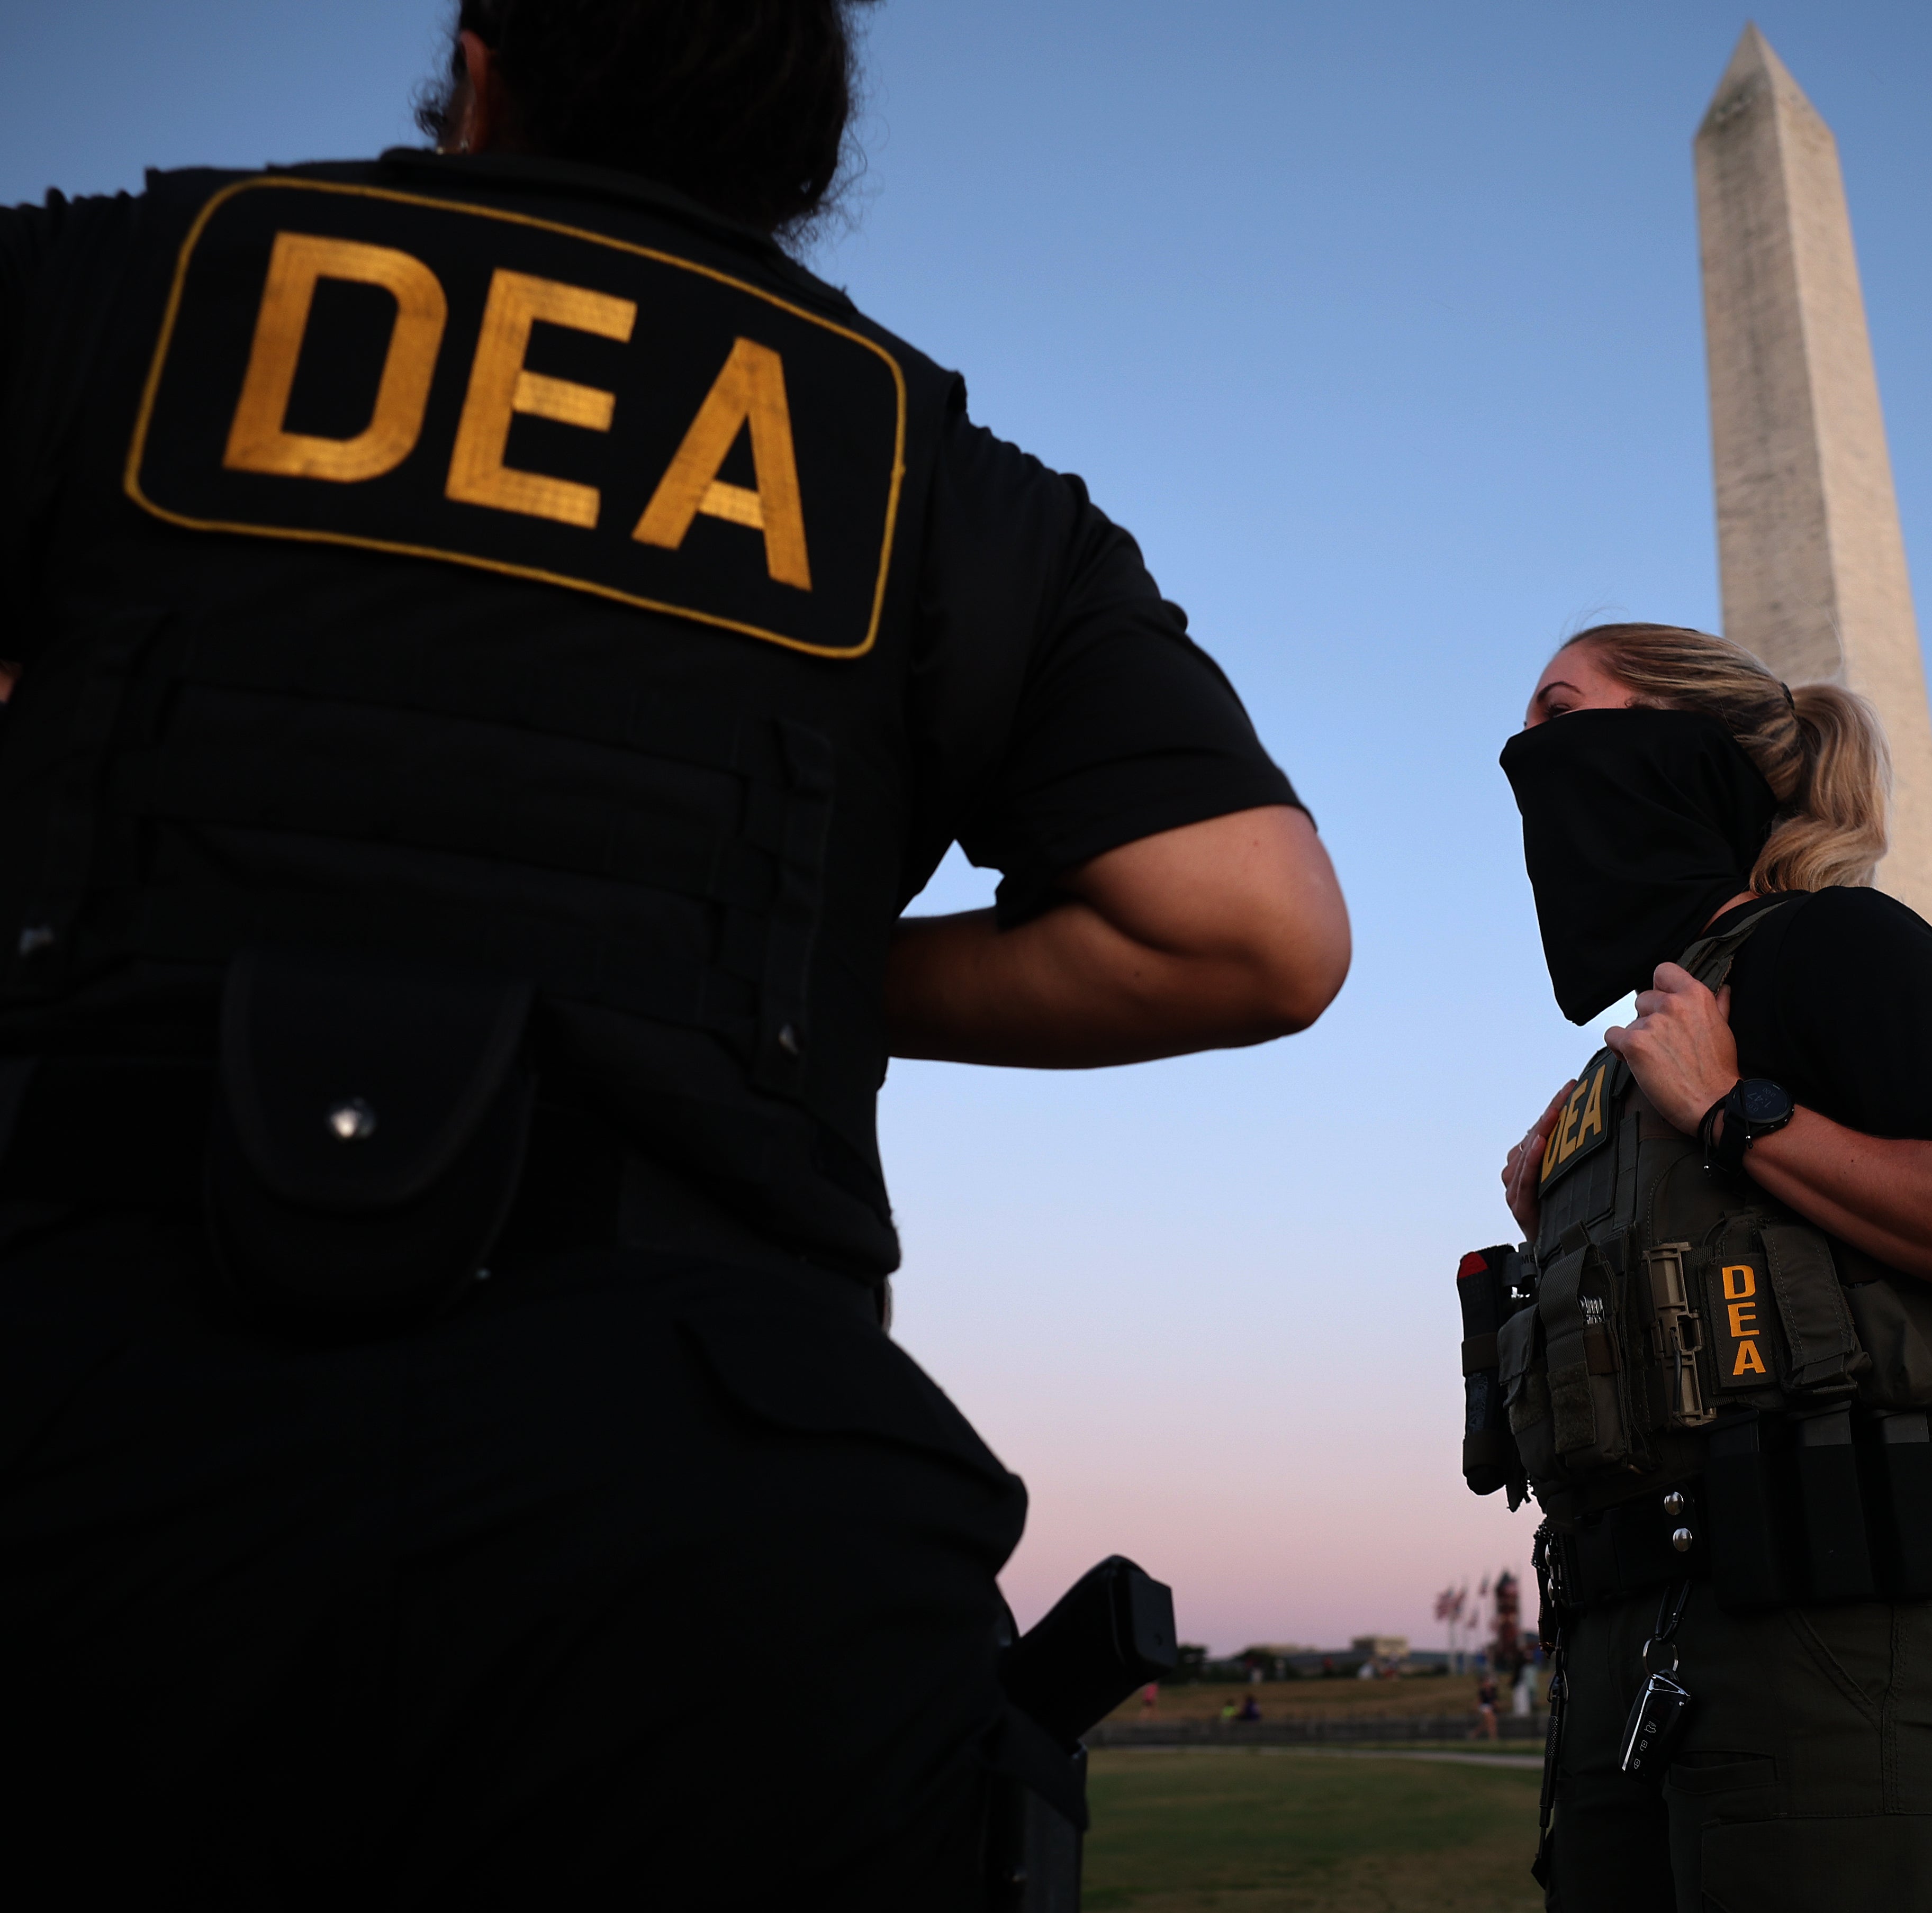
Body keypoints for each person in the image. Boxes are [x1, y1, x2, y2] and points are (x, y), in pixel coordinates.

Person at [0, 2, 1348, 1903]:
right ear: (797, 163)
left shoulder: (139, 283)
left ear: (479, 71)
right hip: (712, 1525)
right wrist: (777, 968)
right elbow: (1257, 930)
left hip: (100, 1423)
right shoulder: (921, 464)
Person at [1492, 624, 1932, 1911]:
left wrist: (1733, 1112)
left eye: (1561, 713)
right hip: (1621, 1654)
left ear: (1684, 751)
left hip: (1835, 1640)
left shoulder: (1830, 946)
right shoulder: (1628, 1063)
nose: (1524, 758)